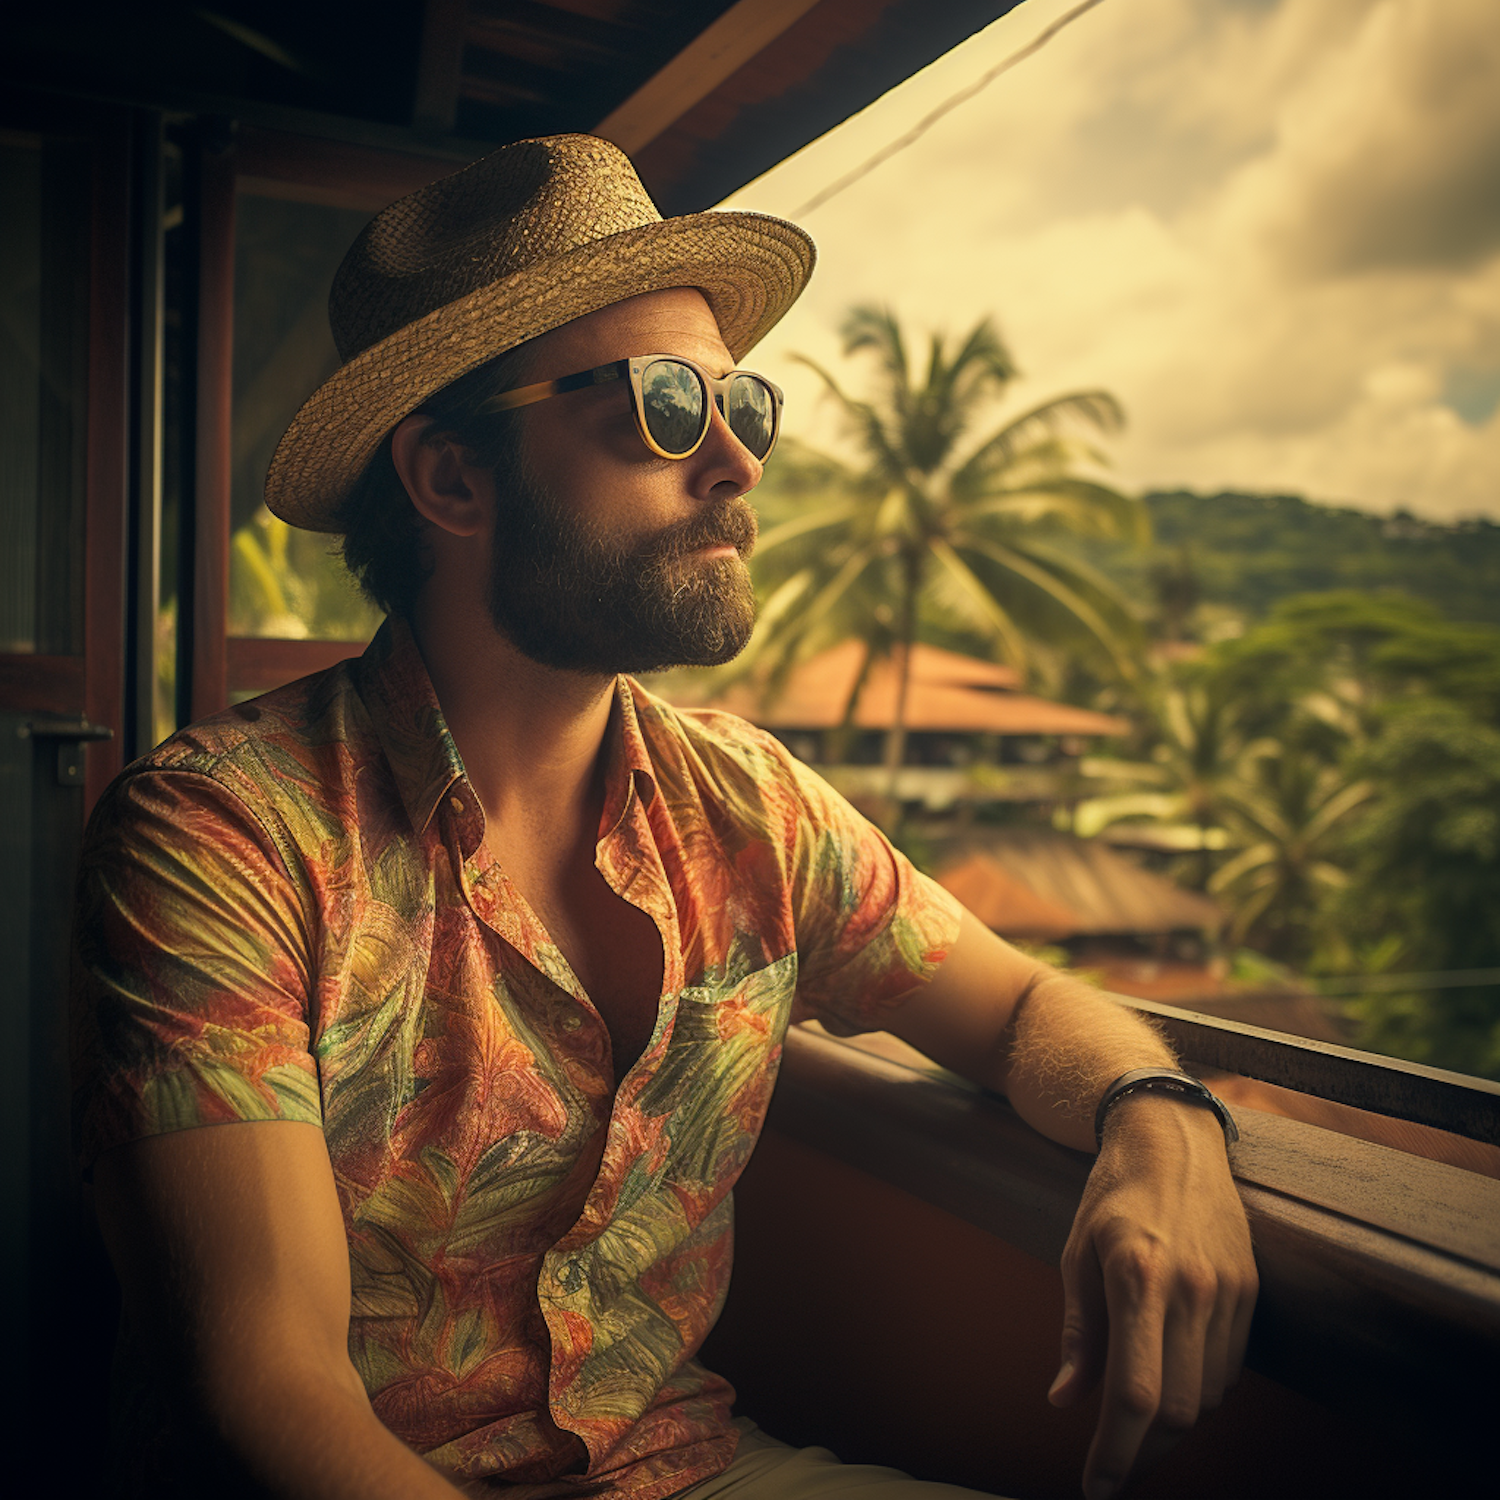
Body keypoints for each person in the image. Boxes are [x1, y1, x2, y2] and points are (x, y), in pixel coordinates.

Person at [72, 135, 1256, 1500]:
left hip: (682, 1471)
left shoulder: (749, 808)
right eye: (663, 406)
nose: (736, 464)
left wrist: (1161, 1118)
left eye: (743, 408)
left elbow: (1021, 1012)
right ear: (451, 481)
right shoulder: (218, 839)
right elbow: (268, 1390)